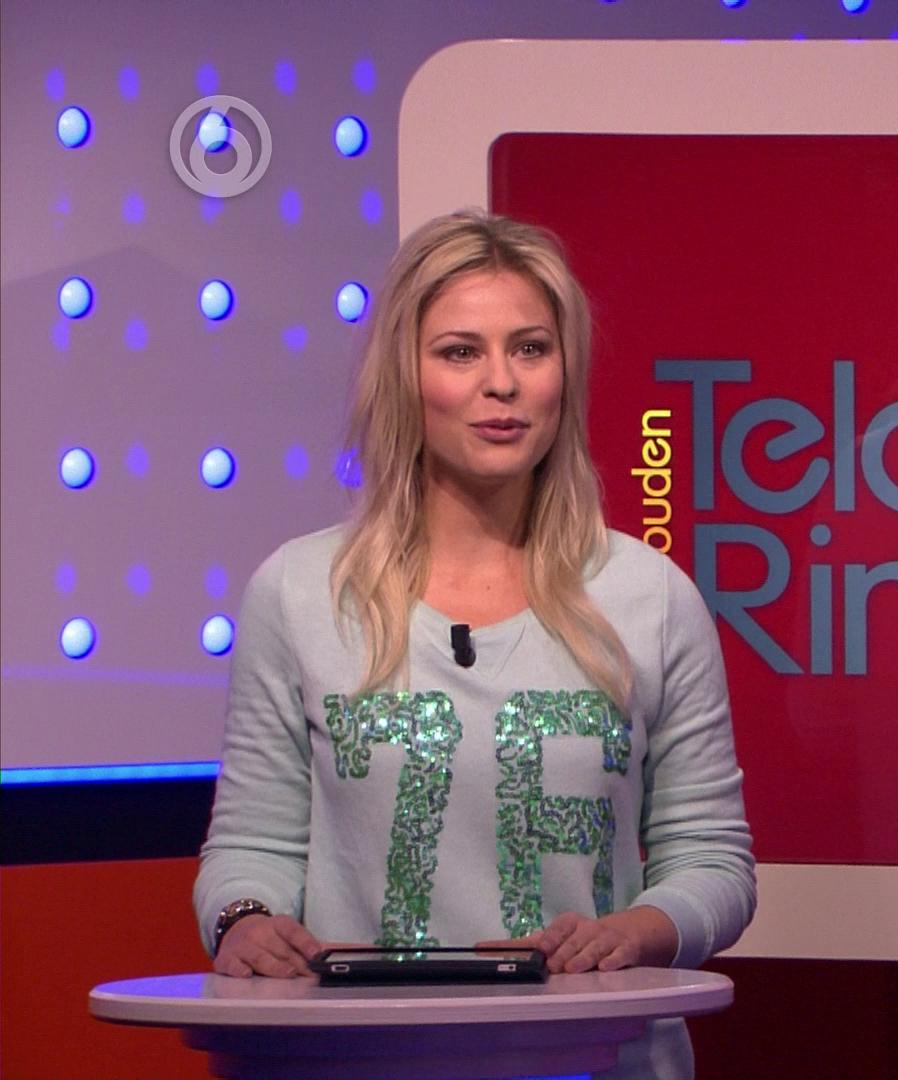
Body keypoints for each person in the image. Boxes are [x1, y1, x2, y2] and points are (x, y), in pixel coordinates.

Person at [193, 209, 755, 1080]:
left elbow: (712, 861)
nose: (503, 383)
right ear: (405, 377)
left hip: (591, 1059)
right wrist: (245, 922)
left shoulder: (650, 597)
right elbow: (251, 847)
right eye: (461, 352)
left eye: (531, 349)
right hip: (351, 1063)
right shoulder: (300, 593)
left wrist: (631, 934)